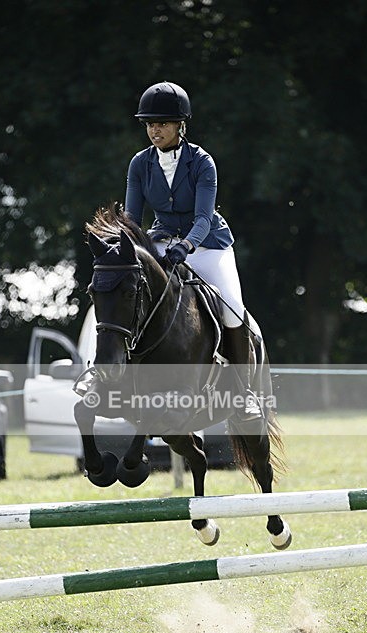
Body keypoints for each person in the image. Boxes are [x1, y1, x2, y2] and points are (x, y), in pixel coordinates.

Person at [124, 80, 261, 420]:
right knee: (122, 288)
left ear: (180, 125)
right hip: (163, 239)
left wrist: (185, 246)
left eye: (163, 124)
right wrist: (128, 247)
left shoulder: (202, 162)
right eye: (150, 124)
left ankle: (244, 392)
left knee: (232, 306)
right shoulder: (140, 164)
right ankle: (104, 376)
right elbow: (131, 218)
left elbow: (203, 218)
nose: (155, 130)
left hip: (208, 244)